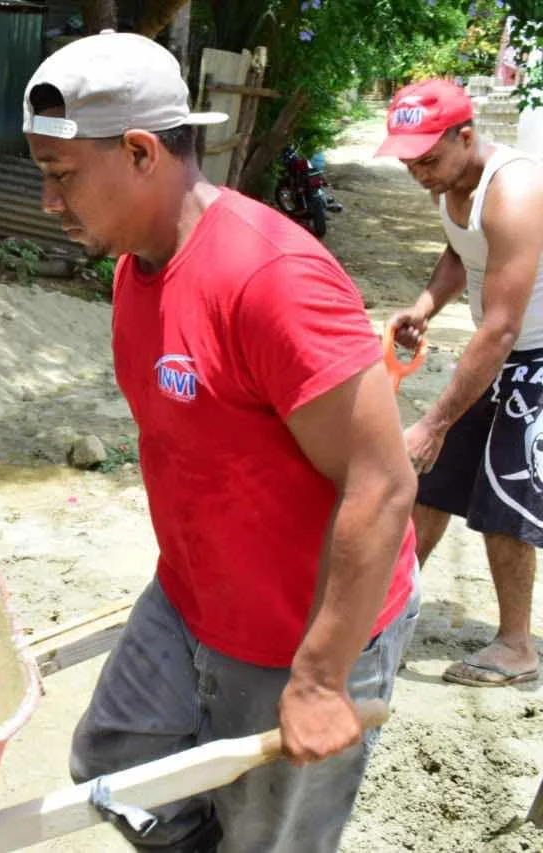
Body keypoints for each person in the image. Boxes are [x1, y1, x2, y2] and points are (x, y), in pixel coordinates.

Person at [22, 32, 420, 852]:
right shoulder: (139, 266)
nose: (49, 203)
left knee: (266, 837)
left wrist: (319, 678)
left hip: (295, 632)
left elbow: (382, 483)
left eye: (61, 177)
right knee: (113, 766)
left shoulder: (270, 279)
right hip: (190, 600)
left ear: (139, 151)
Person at [377, 79, 543, 687]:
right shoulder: (448, 180)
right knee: (433, 483)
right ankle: (390, 605)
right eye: (410, 162)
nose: (419, 173)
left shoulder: (516, 190)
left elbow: (500, 328)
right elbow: (460, 252)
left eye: (429, 160)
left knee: (504, 500)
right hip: (499, 350)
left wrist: (434, 420)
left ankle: (517, 646)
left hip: (532, 356)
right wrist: (425, 306)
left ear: (466, 136)